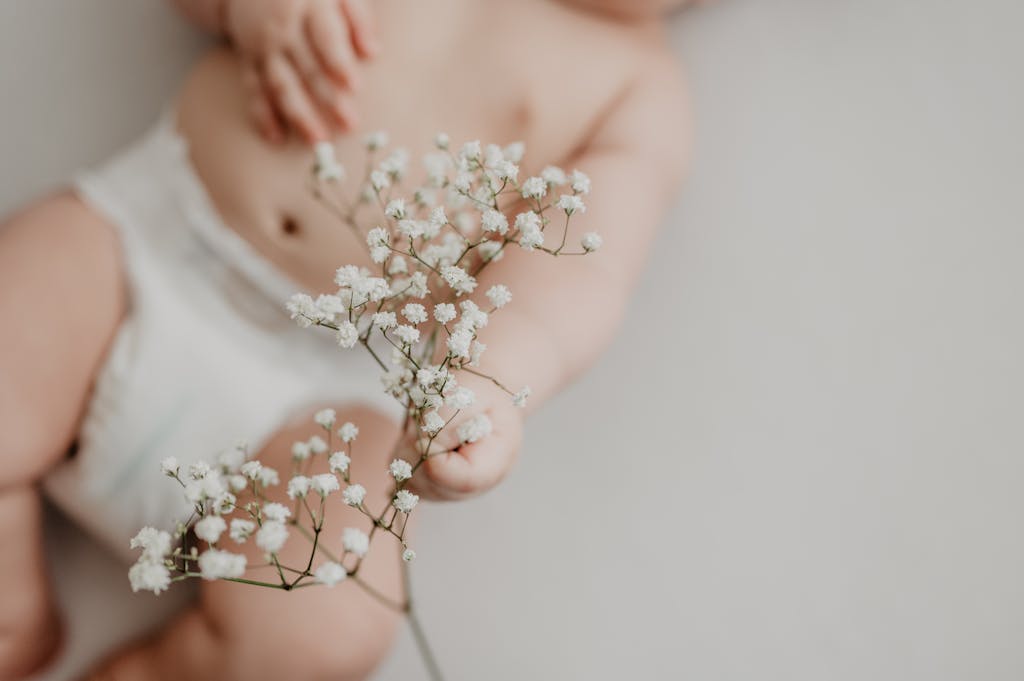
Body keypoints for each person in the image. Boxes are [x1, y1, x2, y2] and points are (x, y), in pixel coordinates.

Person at [0, 0, 691, 678]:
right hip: (149, 243)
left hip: (334, 391)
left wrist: (489, 382)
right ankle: (13, 611)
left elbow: (579, 277)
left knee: (332, 621)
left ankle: (168, 667)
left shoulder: (634, 92)